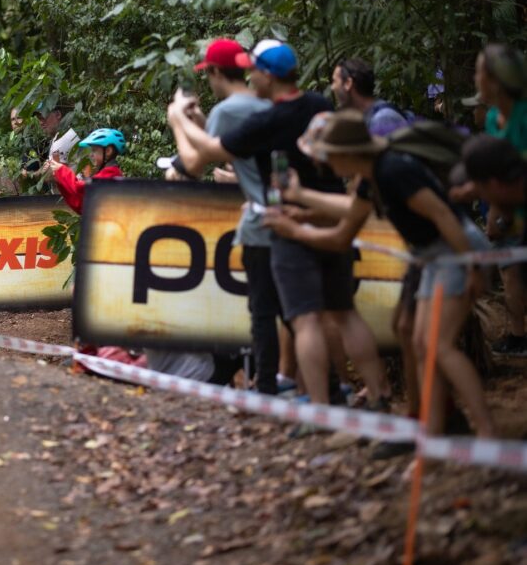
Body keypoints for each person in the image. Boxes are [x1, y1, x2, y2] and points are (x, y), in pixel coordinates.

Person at [165, 39, 388, 416]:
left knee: (301, 319)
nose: (250, 77)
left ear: (268, 76)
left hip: (290, 223)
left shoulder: (269, 120)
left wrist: (178, 120)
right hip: (330, 213)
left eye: (255, 71)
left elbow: (204, 154)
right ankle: (378, 396)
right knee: (343, 312)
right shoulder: (317, 104)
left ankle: (316, 406)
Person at [266, 112, 495, 438]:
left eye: (329, 156)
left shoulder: (393, 171)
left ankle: (486, 431)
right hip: (430, 255)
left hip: (455, 250)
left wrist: (472, 265)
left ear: (346, 154)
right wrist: (301, 215)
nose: (325, 162)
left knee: (438, 346)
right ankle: (432, 431)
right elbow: (345, 227)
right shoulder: (369, 180)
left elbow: (443, 215)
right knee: (418, 342)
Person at [169, 38, 280, 394]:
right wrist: (200, 121)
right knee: (292, 312)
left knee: (263, 312)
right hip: (286, 213)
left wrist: (177, 121)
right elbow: (228, 147)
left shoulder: (229, 109)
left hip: (263, 222)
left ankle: (265, 387)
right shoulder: (261, 103)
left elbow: (193, 165)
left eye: (209, 75)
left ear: (216, 72)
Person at [475, 43, 527, 354]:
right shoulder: (494, 119)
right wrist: (497, 214)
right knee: (511, 271)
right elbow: (497, 174)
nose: (476, 79)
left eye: (480, 72)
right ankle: (519, 335)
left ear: (495, 80)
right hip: (512, 210)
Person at [46, 128, 125, 214]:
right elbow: (81, 205)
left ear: (108, 151)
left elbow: (79, 188)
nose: (91, 154)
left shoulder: (110, 174)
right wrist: (60, 180)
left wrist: (61, 170)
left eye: (94, 150)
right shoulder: (109, 173)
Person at [330, 58, 412, 137]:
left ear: (348, 83)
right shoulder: (365, 116)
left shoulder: (383, 118)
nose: (332, 87)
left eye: (334, 81)